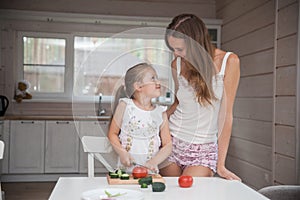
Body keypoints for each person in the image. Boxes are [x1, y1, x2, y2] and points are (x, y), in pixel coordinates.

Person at [159, 13, 241, 181]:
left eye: (180, 49)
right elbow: (177, 102)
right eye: (173, 49)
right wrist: (153, 121)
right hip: (172, 142)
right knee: (169, 193)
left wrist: (221, 164)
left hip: (203, 150)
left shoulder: (228, 62)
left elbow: (226, 115)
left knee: (189, 194)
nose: (175, 54)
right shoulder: (177, 64)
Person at [108, 63, 172, 173]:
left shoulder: (160, 112)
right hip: (125, 172)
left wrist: (154, 162)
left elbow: (168, 145)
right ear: (138, 86)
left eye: (157, 78)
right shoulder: (125, 106)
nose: (158, 82)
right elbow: (112, 134)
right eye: (153, 78)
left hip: (150, 174)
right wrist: (122, 153)